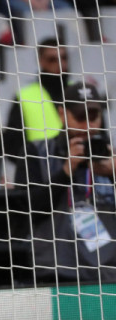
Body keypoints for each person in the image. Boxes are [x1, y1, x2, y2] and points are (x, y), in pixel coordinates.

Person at [17, 83, 116, 285]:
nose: (88, 126)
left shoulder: (112, 157)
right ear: (63, 114)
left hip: (108, 275)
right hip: (57, 277)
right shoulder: (37, 152)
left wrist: (114, 174)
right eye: (80, 117)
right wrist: (65, 172)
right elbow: (25, 210)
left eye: (93, 116)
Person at [3, 39, 70, 162]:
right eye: (52, 59)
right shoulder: (25, 96)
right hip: (42, 174)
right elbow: (11, 144)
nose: (60, 64)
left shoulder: (80, 92)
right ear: (41, 61)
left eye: (64, 58)